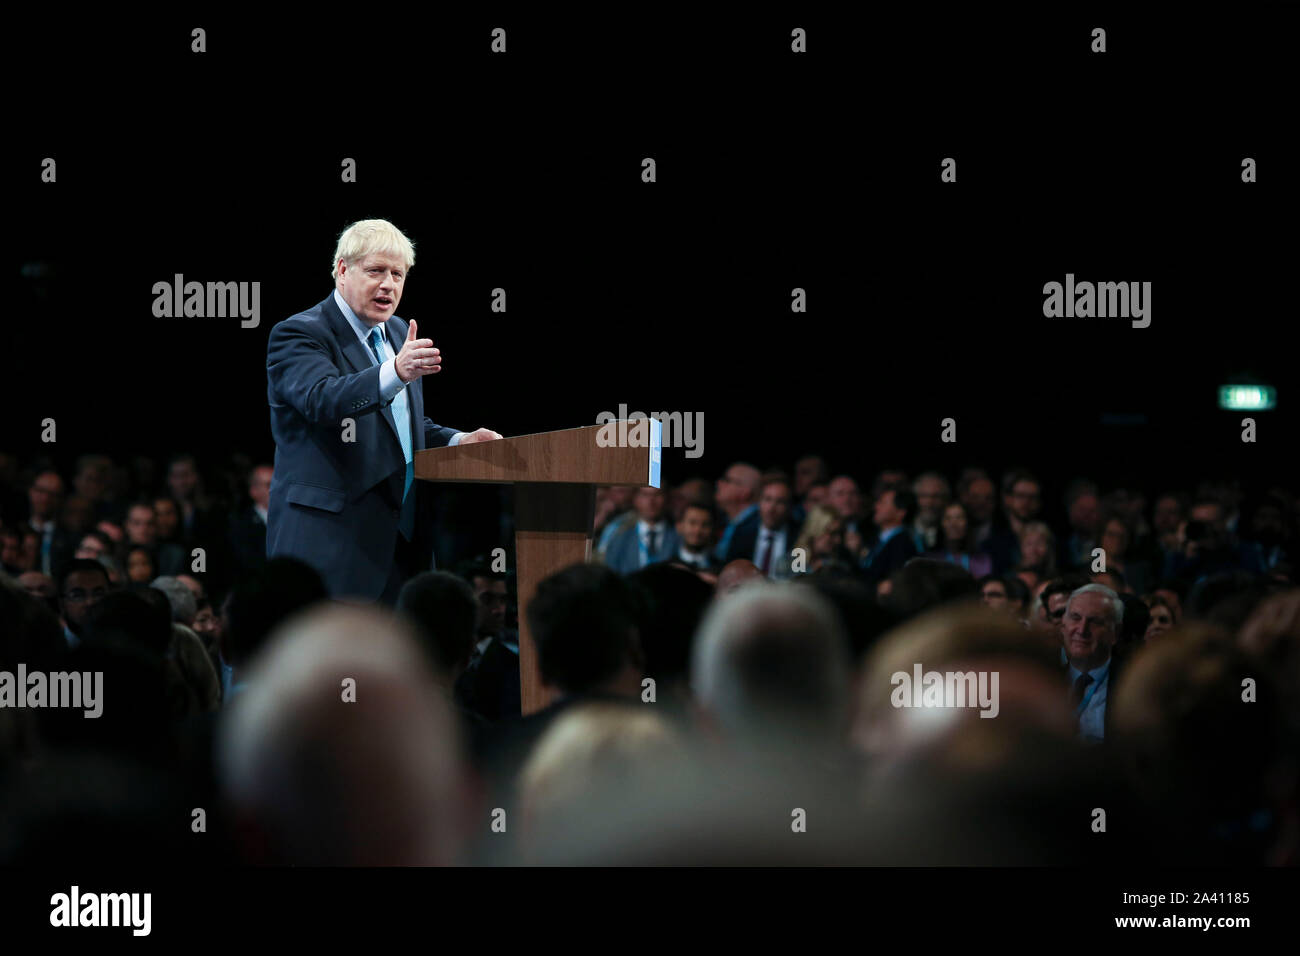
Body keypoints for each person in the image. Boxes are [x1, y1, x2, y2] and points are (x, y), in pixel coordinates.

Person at [265, 219, 501, 604]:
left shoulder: (395, 333)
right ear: (342, 270)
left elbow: (402, 427)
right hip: (329, 548)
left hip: (403, 547)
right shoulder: (301, 333)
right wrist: (394, 371)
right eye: (376, 271)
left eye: (398, 274)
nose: (388, 284)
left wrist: (460, 440)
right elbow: (321, 400)